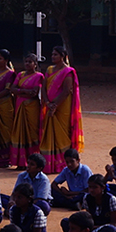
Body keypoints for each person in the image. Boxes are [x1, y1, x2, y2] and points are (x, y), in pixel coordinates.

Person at [36, 46, 82, 174]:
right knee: (49, 131)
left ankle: (62, 163)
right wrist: (46, 102)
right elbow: (44, 87)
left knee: (61, 133)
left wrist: (54, 105)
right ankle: (48, 163)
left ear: (62, 56)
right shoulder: (50, 69)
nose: (53, 56)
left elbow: (67, 91)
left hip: (62, 107)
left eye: (55, 54)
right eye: (52, 54)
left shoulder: (68, 71)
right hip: (49, 104)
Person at [9, 52, 45, 170]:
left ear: (35, 64)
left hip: (32, 108)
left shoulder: (39, 76)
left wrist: (21, 91)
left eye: (30, 62)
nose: (27, 64)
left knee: (31, 133)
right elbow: (12, 89)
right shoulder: (20, 74)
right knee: (19, 132)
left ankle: (32, 161)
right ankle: (20, 162)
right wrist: (26, 92)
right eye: (26, 62)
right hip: (20, 106)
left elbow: (34, 92)